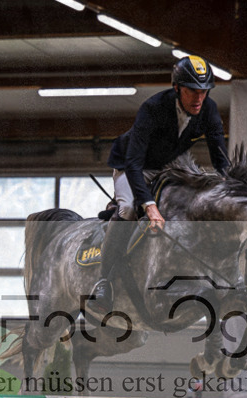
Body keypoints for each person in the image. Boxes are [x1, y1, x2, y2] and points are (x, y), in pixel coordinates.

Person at [88, 55, 230, 314]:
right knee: (128, 209)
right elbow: (133, 163)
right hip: (132, 165)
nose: (199, 98)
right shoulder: (153, 108)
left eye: (204, 91)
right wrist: (150, 206)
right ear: (177, 88)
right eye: (192, 91)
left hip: (168, 165)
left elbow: (220, 159)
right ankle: (104, 281)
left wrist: (229, 189)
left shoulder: (208, 109)